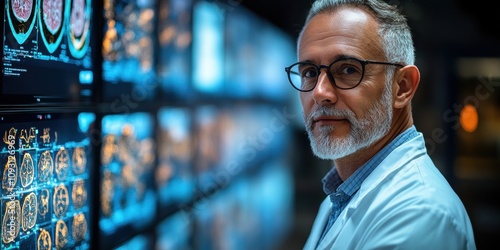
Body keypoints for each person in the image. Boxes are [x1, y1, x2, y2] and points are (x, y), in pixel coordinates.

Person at [284, 0, 476, 249]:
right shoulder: (339, 196)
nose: (320, 93)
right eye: (309, 72)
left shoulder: (419, 212)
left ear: (403, 86)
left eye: (348, 70)